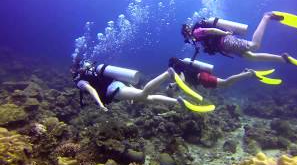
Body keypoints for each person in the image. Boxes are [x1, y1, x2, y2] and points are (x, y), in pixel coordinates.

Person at [181, 11, 297, 67]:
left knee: (254, 45)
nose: (188, 39)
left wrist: (225, 34)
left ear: (187, 32)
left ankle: (267, 17)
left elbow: (210, 30)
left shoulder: (196, 32)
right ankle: (282, 59)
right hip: (226, 45)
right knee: (252, 57)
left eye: (186, 36)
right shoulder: (196, 37)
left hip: (225, 41)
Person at [70, 59, 215, 113]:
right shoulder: (92, 72)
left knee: (143, 94)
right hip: (118, 85)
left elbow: (91, 90)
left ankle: (167, 74)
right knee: (149, 99)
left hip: (114, 90)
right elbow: (112, 77)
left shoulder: (80, 81)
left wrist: (100, 104)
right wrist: (129, 89)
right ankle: (178, 101)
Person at [166, 57, 281, 95]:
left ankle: (248, 74)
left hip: (202, 78)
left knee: (226, 83)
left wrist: (174, 83)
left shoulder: (179, 70)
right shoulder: (184, 65)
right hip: (203, 76)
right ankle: (244, 72)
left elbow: (182, 79)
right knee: (225, 83)